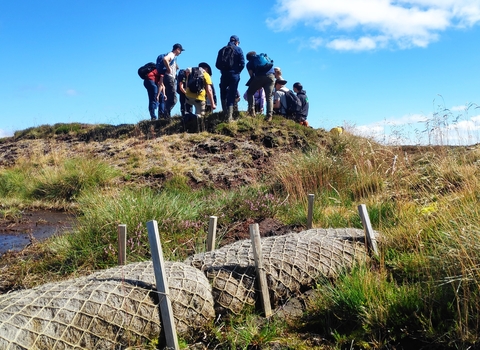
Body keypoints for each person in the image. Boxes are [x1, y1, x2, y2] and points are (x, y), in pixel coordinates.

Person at [179, 63, 216, 132]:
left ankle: (186, 124)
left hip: (188, 96)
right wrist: (212, 103)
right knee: (200, 116)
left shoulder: (190, 72)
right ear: (206, 69)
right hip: (200, 98)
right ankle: (198, 130)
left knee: (188, 112)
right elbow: (209, 90)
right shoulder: (206, 75)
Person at [215, 35, 245, 122]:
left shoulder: (222, 50)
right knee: (232, 94)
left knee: (223, 93)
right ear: (236, 42)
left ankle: (224, 113)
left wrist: (223, 70)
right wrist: (237, 71)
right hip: (234, 75)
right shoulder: (238, 49)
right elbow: (242, 63)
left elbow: (217, 65)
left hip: (224, 75)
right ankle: (229, 117)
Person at [245, 51, 275, 121]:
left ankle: (252, 112)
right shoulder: (264, 58)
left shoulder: (250, 63)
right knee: (269, 97)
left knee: (250, 92)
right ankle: (269, 116)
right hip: (271, 76)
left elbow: (251, 75)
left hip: (259, 77)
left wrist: (256, 84)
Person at [162, 43, 185, 117]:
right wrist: (169, 69)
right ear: (177, 49)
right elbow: (165, 59)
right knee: (173, 99)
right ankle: (165, 114)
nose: (180, 53)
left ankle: (165, 116)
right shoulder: (171, 54)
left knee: (169, 97)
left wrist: (175, 66)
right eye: (180, 51)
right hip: (169, 77)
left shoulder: (173, 57)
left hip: (167, 77)